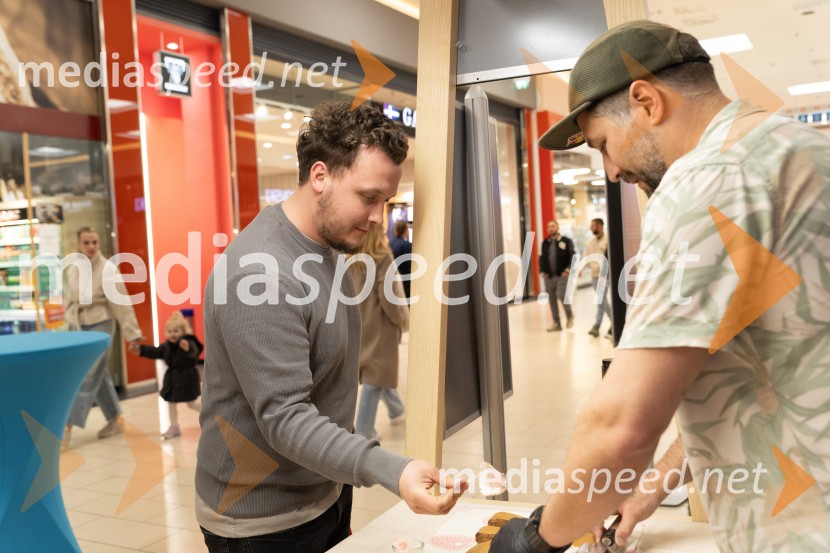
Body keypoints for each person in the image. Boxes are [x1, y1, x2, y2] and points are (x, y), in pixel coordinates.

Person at [490, 20, 830, 553]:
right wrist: (653, 486)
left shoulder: (705, 177)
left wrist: (539, 540)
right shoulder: (800, 150)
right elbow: (771, 369)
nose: (611, 170)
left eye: (604, 144)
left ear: (647, 101)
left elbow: (622, 427)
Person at [196, 99, 466, 553]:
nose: (380, 216)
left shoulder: (329, 251)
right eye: (368, 197)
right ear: (320, 176)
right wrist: (390, 469)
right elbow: (285, 418)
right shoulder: (260, 276)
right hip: (264, 520)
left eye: (386, 200)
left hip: (322, 493)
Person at [63, 227, 143, 448]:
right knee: (99, 374)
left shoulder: (108, 269)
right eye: (86, 242)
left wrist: (132, 334)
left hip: (101, 324)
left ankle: (65, 426)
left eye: (94, 242)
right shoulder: (73, 268)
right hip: (78, 326)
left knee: (86, 374)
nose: (91, 247)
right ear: (78, 244)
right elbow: (69, 299)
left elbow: (122, 303)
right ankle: (115, 418)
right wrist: (67, 325)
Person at [350, 224, 409, 440]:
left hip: (358, 323)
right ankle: (363, 432)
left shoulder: (350, 257)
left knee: (374, 369)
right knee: (375, 378)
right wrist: (399, 319)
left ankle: (396, 409)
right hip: (380, 325)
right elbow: (389, 295)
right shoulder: (381, 257)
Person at [129, 311, 202, 439]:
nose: (173, 334)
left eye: (176, 331)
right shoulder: (166, 347)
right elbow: (154, 351)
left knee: (191, 403)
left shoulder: (187, 342)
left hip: (187, 378)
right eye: (170, 331)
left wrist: (187, 348)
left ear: (183, 332)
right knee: (171, 403)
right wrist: (140, 350)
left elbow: (194, 350)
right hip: (172, 379)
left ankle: (209, 415)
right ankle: (174, 427)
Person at [538, 220, 575, 331]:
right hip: (548, 276)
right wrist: (542, 271)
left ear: (558, 227)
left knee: (561, 295)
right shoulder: (545, 242)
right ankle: (556, 323)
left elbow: (572, 256)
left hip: (562, 275)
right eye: (548, 227)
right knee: (552, 299)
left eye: (553, 226)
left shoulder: (566, 241)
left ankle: (570, 316)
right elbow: (542, 258)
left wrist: (567, 270)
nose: (550, 228)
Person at [580, 218, 611, 337]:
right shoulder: (590, 242)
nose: (591, 228)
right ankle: (614, 321)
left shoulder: (608, 240)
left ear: (600, 226)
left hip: (605, 275)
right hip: (594, 275)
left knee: (600, 300)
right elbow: (586, 256)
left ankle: (597, 326)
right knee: (602, 300)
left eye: (593, 225)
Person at [388, 219, 413, 300]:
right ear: (405, 230)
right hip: (405, 280)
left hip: (392, 279)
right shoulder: (407, 245)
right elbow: (411, 265)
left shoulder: (390, 243)